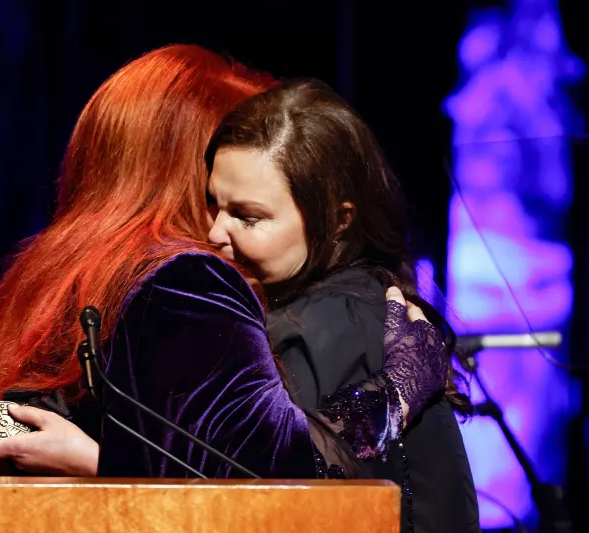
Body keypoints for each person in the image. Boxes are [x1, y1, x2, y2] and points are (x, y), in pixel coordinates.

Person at [0, 44, 447, 480]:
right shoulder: (184, 279)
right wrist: (398, 387)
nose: (222, 227)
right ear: (191, 168)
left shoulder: (63, 272)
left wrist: (100, 459)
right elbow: (281, 478)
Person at [205, 79, 479, 532]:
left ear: (338, 219)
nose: (215, 232)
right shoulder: (356, 300)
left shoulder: (333, 321)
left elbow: (286, 486)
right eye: (212, 204)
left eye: (247, 217)